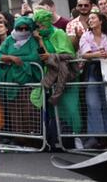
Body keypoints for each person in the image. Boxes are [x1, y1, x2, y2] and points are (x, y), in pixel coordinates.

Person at [33, 8, 81, 145]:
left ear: (47, 22)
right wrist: (41, 40)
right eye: (38, 25)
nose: (40, 27)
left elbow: (68, 54)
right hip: (50, 75)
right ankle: (59, 140)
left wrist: (52, 56)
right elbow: (43, 55)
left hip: (66, 76)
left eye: (41, 24)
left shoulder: (58, 33)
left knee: (71, 108)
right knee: (55, 109)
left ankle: (76, 137)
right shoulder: (40, 36)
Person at [78, 11, 107, 149]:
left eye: (93, 18)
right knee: (93, 104)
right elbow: (85, 54)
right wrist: (97, 54)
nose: (90, 20)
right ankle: (96, 137)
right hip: (93, 70)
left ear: (101, 20)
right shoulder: (86, 35)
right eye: (89, 19)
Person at [0, 15, 43, 139]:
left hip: (28, 83)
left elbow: (35, 57)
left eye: (25, 29)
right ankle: (20, 140)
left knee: (29, 112)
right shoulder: (10, 40)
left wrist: (18, 59)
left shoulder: (32, 40)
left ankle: (33, 140)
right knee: (15, 112)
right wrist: (10, 58)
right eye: (19, 29)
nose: (22, 31)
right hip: (12, 82)